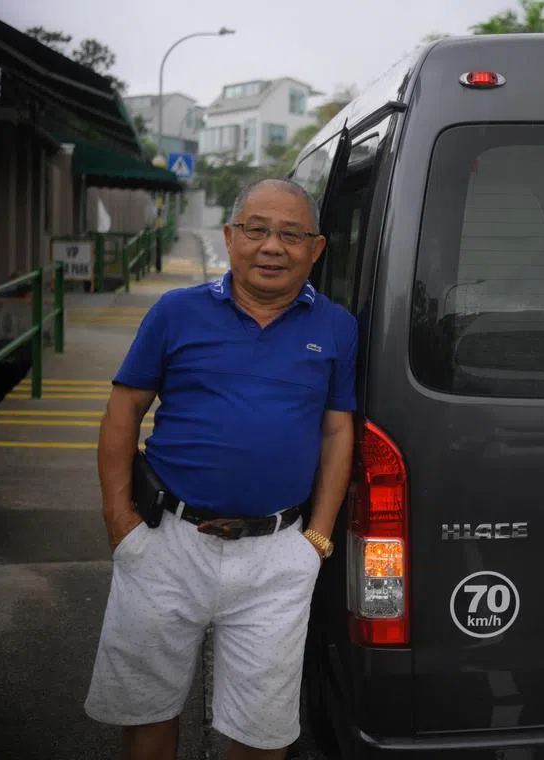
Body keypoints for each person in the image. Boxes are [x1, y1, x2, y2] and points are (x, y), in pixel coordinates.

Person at [85, 178, 359, 760]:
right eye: (257, 230)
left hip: (278, 555)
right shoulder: (175, 312)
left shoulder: (336, 328)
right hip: (165, 544)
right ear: (231, 237)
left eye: (292, 234)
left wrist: (318, 540)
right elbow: (124, 410)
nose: (272, 247)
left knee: (262, 734)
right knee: (148, 713)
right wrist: (120, 521)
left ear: (317, 249)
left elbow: (338, 431)